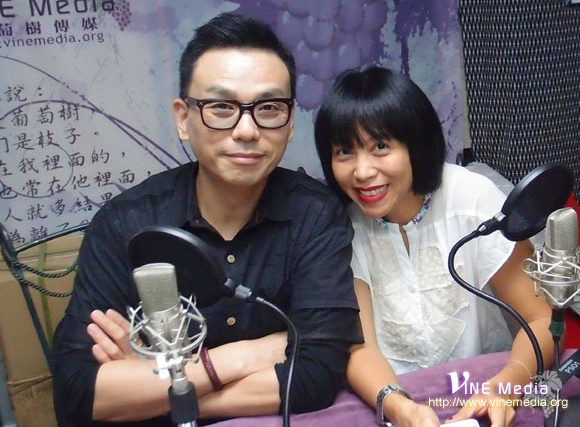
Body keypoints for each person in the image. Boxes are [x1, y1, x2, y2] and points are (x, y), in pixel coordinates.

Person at [53, 13, 362, 426]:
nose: (247, 130)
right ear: (184, 118)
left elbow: (314, 377)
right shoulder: (125, 223)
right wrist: (242, 357)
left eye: (269, 108)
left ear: (290, 123)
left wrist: (157, 387)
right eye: (221, 107)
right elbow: (79, 395)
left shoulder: (316, 214)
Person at [314, 66, 555, 427]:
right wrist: (400, 408)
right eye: (344, 151)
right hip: (391, 400)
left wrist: (505, 386)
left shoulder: (473, 198)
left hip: (484, 392)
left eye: (380, 146)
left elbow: (543, 319)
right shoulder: (338, 227)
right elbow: (360, 346)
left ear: (416, 144)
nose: (362, 172)